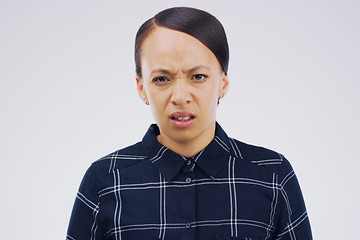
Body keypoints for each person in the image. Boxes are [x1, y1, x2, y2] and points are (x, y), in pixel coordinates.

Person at [67, 7, 312, 240]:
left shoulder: (272, 176)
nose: (180, 97)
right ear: (141, 87)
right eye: (162, 78)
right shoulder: (104, 181)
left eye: (198, 77)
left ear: (223, 83)